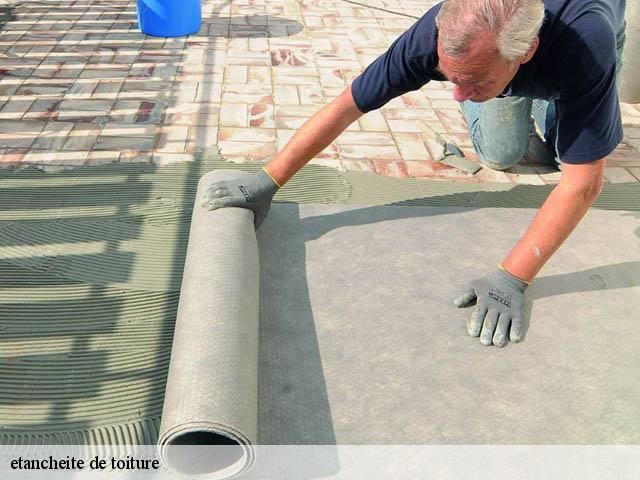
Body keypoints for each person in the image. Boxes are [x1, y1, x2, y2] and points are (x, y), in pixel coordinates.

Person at [201, 0, 626, 347]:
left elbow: (583, 184)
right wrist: (269, 179)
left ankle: (549, 101)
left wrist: (512, 277)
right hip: (510, 60)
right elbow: (347, 106)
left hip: (573, 50)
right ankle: (514, 96)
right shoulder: (434, 35)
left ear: (527, 52)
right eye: (451, 77)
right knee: (501, 153)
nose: (458, 94)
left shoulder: (588, 44)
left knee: (567, 151)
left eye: (472, 82)